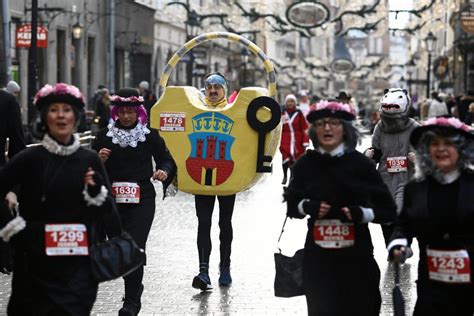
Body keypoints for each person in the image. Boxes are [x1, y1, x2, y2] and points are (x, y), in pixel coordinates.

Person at [0, 83, 121, 315]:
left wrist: (116, 243)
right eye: (54, 110)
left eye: (67, 110)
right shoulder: (29, 159)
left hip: (77, 265)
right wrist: (13, 229)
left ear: (75, 117)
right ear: (45, 118)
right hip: (35, 263)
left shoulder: (89, 160)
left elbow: (108, 210)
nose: (61, 115)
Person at [284, 100, 397, 315]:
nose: (327, 128)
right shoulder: (305, 165)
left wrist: (361, 213)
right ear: (313, 130)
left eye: (334, 123)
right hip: (318, 262)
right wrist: (308, 206)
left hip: (357, 262)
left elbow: (388, 210)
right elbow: (291, 205)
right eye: (321, 123)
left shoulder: (361, 164)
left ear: (345, 129)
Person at [93, 87, 176, 316]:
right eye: (122, 112)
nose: (126, 116)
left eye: (131, 111)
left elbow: (167, 160)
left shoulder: (149, 135)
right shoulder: (103, 136)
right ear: (116, 112)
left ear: (138, 112)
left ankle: (130, 302)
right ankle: (135, 287)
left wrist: (163, 171)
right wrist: (98, 159)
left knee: (135, 246)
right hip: (112, 203)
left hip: (142, 201)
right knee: (121, 249)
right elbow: (88, 168)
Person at [388, 117, 474, 316]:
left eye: (448, 143)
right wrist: (399, 244)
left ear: (461, 149)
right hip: (431, 286)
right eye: (434, 144)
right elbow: (403, 225)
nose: (441, 149)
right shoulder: (415, 188)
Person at [192, 72, 236, 291]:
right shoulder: (196, 108)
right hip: (201, 175)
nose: (212, 90)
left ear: (224, 90)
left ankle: (225, 266)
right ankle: (203, 270)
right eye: (209, 86)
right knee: (204, 223)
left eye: (217, 87)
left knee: (225, 224)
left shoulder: (234, 111)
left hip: (227, 173)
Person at [365, 88, 419, 246]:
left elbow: (424, 150)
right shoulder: (380, 127)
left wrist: (418, 158)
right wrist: (368, 155)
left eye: (394, 108)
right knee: (386, 212)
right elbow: (376, 150)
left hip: (407, 176)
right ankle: (390, 244)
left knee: (403, 211)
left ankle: (403, 244)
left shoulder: (414, 126)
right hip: (385, 176)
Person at [279, 94, 309, 185]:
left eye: (292, 101)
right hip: (285, 138)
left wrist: (305, 141)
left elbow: (304, 128)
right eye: (288, 101)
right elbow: (278, 127)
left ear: (295, 103)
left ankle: (292, 177)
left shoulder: (299, 114)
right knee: (285, 157)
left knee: (295, 159)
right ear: (286, 102)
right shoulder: (282, 113)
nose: (290, 103)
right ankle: (285, 176)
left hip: (297, 139)